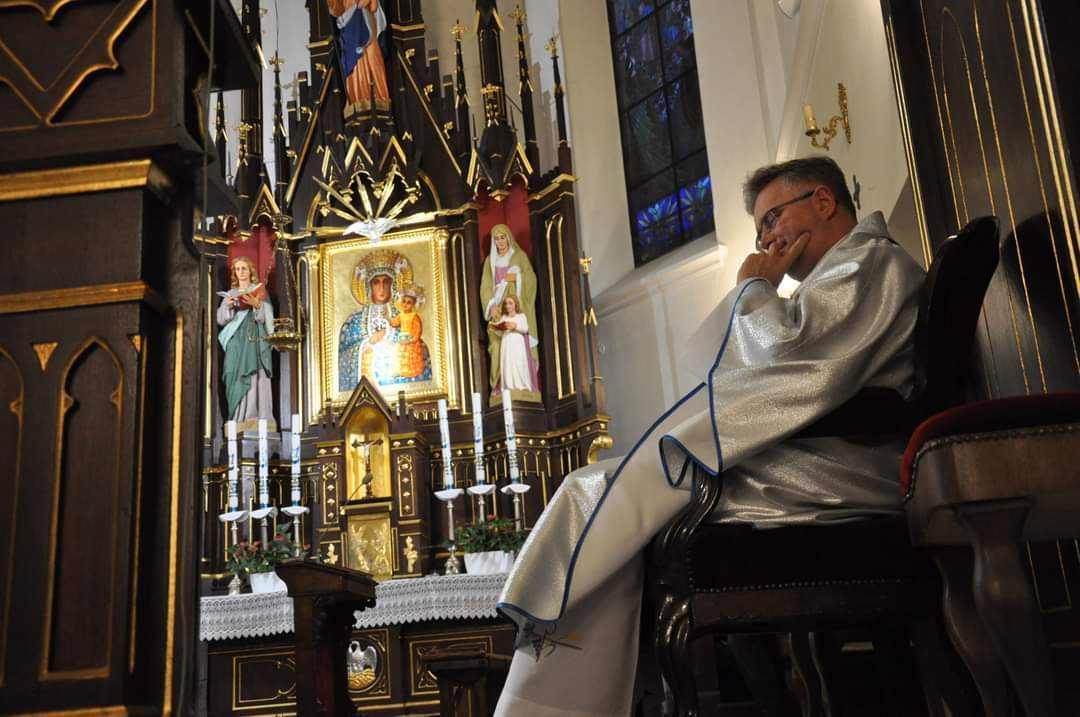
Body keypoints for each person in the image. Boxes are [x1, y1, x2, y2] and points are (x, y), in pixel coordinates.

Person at [493, 157, 926, 716]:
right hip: (816, 456)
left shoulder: (868, 263)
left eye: (771, 219)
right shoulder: (842, 272)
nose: (766, 239)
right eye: (761, 230)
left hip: (841, 467)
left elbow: (787, 357)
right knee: (604, 491)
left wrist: (753, 287)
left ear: (822, 201)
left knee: (598, 492)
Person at [480, 224, 540, 401]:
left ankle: (524, 385)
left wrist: (518, 277)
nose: (500, 242)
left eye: (503, 237)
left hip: (516, 308)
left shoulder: (519, 256)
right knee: (497, 347)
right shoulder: (490, 262)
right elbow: (485, 287)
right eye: (496, 239)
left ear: (509, 238)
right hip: (499, 311)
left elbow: (531, 280)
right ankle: (500, 386)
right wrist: (491, 305)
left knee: (519, 345)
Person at [217, 256, 275, 431]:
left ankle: (256, 416)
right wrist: (228, 306)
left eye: (244, 268)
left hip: (254, 339)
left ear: (250, 271)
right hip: (235, 341)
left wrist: (257, 305)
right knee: (231, 372)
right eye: (237, 269)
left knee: (255, 374)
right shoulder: (231, 294)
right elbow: (221, 319)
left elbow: (268, 316)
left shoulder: (260, 291)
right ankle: (238, 417)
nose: (240, 272)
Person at [327, 0, 390, 114]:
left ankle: (381, 98)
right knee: (356, 65)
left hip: (368, 24)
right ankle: (358, 99)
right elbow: (335, 9)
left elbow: (374, 7)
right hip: (351, 29)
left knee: (374, 59)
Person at [489, 295, 540, 393]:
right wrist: (495, 328)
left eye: (510, 303)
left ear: (515, 304)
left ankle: (521, 385)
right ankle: (509, 386)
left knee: (518, 363)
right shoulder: (504, 317)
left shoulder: (521, 316)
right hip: (506, 342)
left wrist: (515, 326)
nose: (507, 306)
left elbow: (525, 329)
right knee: (507, 363)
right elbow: (501, 333)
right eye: (506, 304)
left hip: (517, 342)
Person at [388, 285, 432, 381]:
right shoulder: (401, 315)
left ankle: (411, 373)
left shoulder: (414, 316)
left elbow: (418, 331)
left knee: (411, 357)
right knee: (400, 356)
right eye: (404, 301)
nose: (405, 304)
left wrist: (412, 340)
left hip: (412, 342)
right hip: (402, 340)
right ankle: (401, 371)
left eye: (409, 303)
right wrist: (387, 319)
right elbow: (395, 323)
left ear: (413, 305)